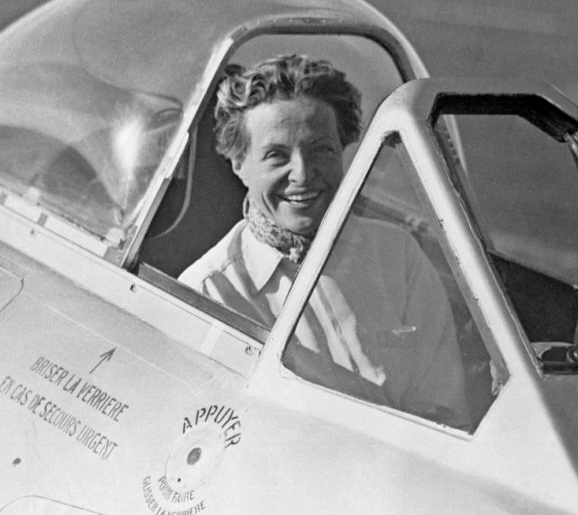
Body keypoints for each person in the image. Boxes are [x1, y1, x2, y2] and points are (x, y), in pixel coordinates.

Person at [179, 54, 467, 423]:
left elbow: (444, 407)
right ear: (238, 164)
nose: (302, 174)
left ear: (346, 152)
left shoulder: (399, 255)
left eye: (321, 150)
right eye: (276, 155)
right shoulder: (208, 292)